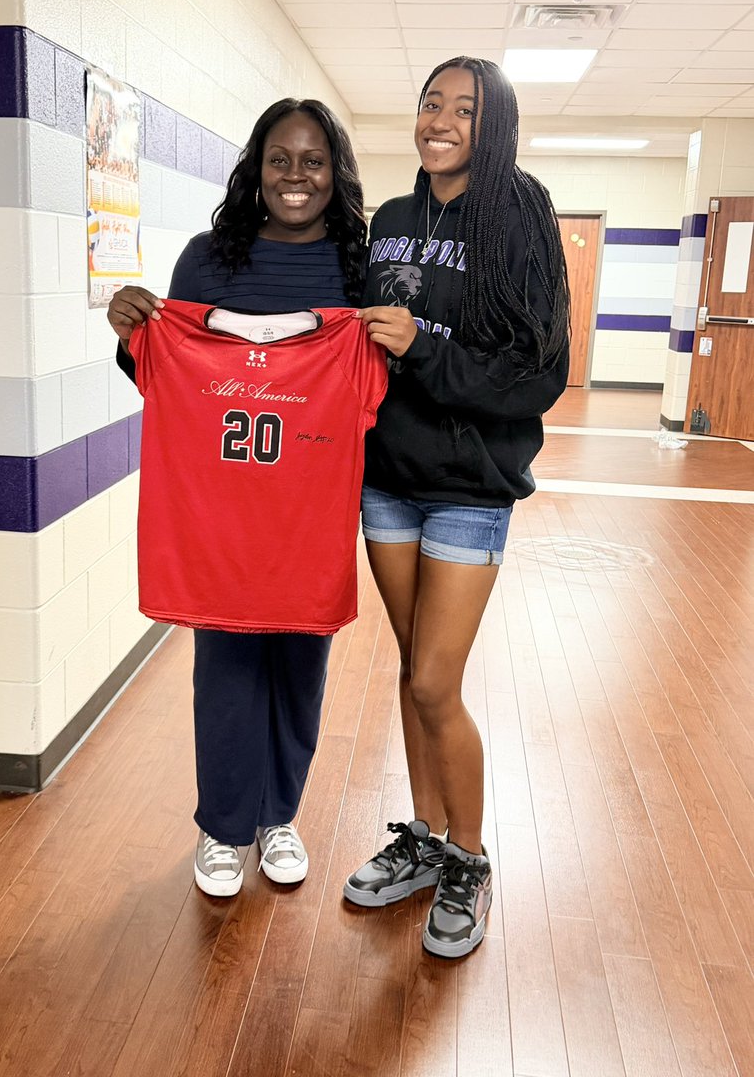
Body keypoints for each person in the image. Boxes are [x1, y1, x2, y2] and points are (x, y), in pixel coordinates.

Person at [107, 98, 366, 896]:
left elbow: (379, 387)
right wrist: (131, 335)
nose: (296, 176)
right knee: (224, 668)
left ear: (336, 174)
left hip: (310, 508)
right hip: (220, 512)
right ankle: (223, 830)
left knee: (300, 665)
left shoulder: (359, 269)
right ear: (255, 167)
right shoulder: (205, 259)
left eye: (313, 161)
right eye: (279, 159)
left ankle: (278, 818)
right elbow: (168, 379)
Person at [344, 57, 570, 958]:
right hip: (387, 479)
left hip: (470, 490)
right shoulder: (392, 222)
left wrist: (424, 347)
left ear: (495, 124)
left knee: (437, 681)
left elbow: (537, 377)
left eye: (464, 109)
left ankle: (470, 859)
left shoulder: (520, 216)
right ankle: (428, 839)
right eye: (431, 102)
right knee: (411, 670)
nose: (440, 119)